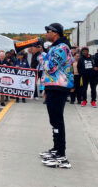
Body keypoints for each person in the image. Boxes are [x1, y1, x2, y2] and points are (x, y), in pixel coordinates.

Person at [38, 23, 73, 168]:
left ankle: (61, 155)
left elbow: (50, 67)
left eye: (48, 31)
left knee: (57, 120)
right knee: (54, 120)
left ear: (55, 33)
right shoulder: (55, 47)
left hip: (59, 87)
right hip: (53, 87)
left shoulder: (62, 48)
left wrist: (41, 54)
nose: (46, 33)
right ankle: (56, 149)